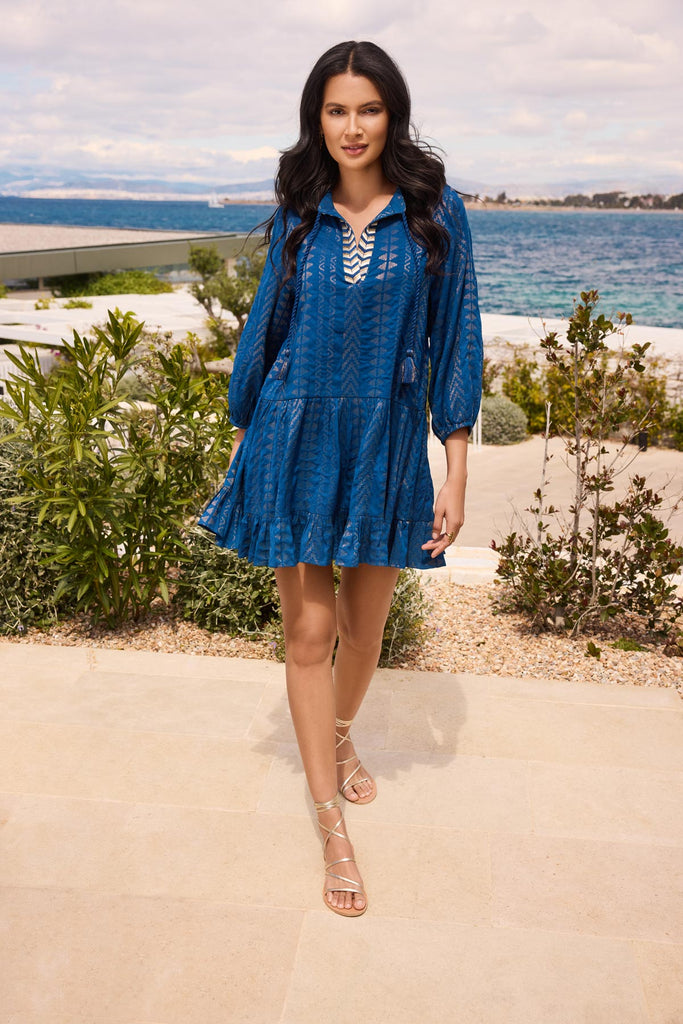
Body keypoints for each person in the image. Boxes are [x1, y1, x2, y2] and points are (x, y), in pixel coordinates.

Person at [199, 40, 483, 918]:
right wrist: (246, 439)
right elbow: (264, 332)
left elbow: (456, 336)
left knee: (366, 633)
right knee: (308, 635)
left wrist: (456, 465)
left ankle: (338, 736)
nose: (351, 127)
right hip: (294, 433)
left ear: (390, 113)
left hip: (388, 442)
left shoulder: (436, 213)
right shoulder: (298, 213)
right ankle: (330, 823)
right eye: (335, 110)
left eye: (366, 108)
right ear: (313, 119)